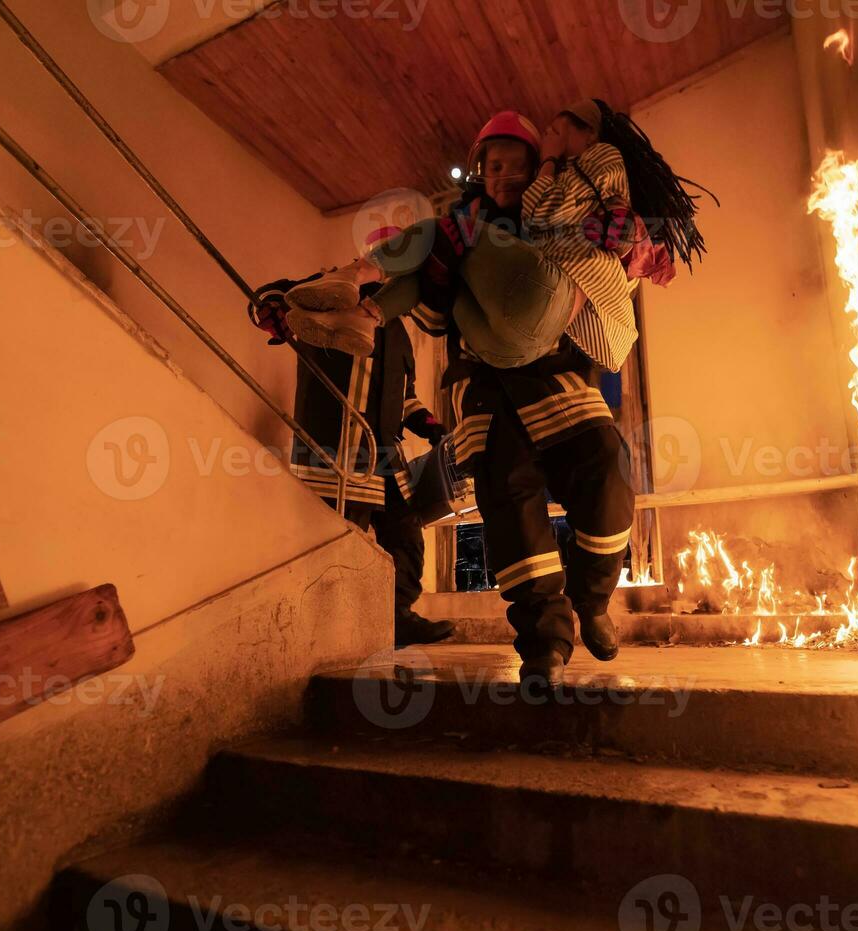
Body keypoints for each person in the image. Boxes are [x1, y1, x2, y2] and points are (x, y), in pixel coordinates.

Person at [284, 104, 706, 688]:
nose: (504, 175)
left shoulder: (550, 225)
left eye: (517, 166)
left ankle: (592, 599)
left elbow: (617, 260)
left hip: (556, 374)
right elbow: (433, 311)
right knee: (509, 502)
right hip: (483, 385)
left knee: (607, 464)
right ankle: (545, 642)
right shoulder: (460, 231)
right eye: (494, 164)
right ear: (480, 169)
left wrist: (629, 238)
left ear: (537, 173)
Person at [251, 260, 456, 649]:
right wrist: (273, 310)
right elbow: (269, 297)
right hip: (330, 449)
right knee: (338, 539)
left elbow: (403, 397)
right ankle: (327, 629)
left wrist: (432, 426)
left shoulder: (398, 332)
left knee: (406, 536)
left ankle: (399, 619)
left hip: (384, 455)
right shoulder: (327, 293)